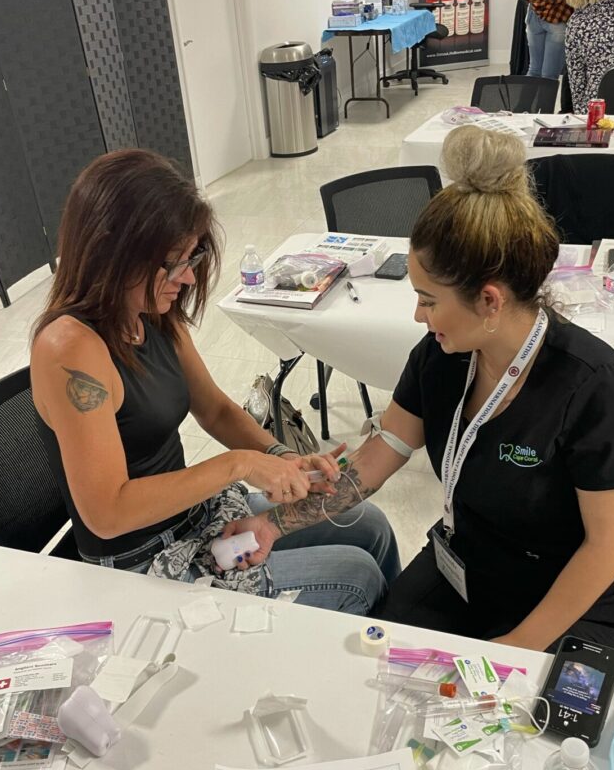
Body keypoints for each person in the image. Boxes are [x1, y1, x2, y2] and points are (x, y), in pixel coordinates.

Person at [226, 128, 614, 655]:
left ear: (490, 300)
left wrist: (517, 646)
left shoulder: (597, 387)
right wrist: (275, 526)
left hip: (568, 597)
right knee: (381, 663)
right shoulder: (442, 355)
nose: (417, 315)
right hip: (472, 564)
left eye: (428, 300)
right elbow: (382, 452)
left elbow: (610, 544)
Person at [30, 149, 399, 612]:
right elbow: (107, 513)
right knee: (355, 576)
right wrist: (239, 465)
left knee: (370, 525)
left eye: (191, 258)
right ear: (113, 252)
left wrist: (282, 458)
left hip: (195, 517)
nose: (186, 277)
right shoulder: (70, 350)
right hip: (141, 560)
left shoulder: (151, 312)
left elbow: (216, 409)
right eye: (173, 263)